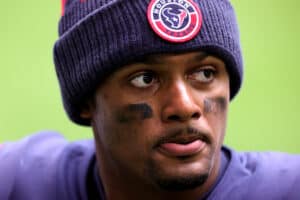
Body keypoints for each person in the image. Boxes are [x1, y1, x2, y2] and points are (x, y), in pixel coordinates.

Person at [0, 0, 299, 199]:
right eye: (145, 79)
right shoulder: (18, 183)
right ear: (85, 99)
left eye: (205, 73)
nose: (185, 106)